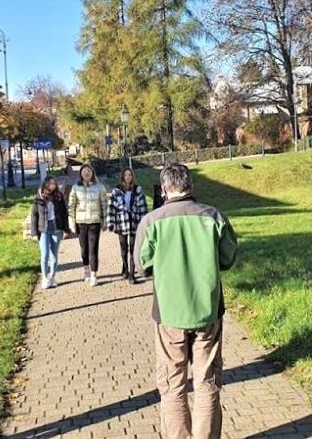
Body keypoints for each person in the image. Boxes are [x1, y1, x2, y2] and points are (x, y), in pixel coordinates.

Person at [134, 164, 238, 439]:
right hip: (207, 311)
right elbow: (228, 258)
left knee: (172, 385)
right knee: (207, 383)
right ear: (191, 186)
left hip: (169, 313)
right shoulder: (214, 216)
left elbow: (142, 265)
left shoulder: (151, 221)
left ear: (164, 189)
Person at [106, 168, 148, 284]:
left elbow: (143, 208)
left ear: (132, 176)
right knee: (123, 248)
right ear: (123, 176)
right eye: (126, 175)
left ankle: (131, 274)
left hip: (134, 222)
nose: (128, 177)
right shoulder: (117, 190)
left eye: (130, 175)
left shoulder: (138, 190)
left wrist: (144, 223)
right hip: (121, 222)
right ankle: (125, 266)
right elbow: (111, 208)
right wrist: (110, 223)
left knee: (133, 248)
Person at [68, 163, 107, 286]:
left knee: (93, 249)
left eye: (89, 171)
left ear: (92, 173)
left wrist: (105, 220)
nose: (86, 173)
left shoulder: (100, 187)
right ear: (80, 174)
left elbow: (104, 205)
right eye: (84, 171)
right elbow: (71, 206)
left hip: (94, 222)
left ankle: (94, 274)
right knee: (84, 250)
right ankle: (86, 270)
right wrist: (71, 222)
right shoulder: (75, 188)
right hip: (80, 223)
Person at [30, 175, 70, 289]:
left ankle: (52, 277)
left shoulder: (59, 196)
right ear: (45, 185)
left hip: (56, 228)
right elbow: (34, 215)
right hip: (44, 229)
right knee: (44, 254)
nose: (52, 186)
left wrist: (66, 230)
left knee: (54, 255)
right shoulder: (40, 198)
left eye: (54, 183)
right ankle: (44, 278)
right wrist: (34, 233)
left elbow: (64, 214)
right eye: (50, 183)